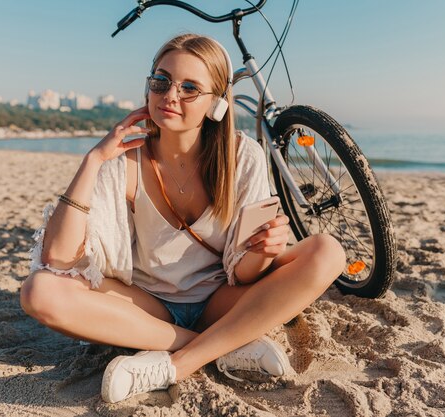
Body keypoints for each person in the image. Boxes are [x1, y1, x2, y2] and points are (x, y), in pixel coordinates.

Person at [20, 33, 346, 403]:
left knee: (328, 251)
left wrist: (265, 250)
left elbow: (243, 274)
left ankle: (179, 363)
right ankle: (221, 347)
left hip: (219, 301)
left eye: (190, 88)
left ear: (216, 104)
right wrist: (93, 161)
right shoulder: (124, 159)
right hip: (145, 307)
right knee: (40, 291)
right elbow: (58, 260)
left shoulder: (244, 156)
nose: (170, 95)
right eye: (161, 81)